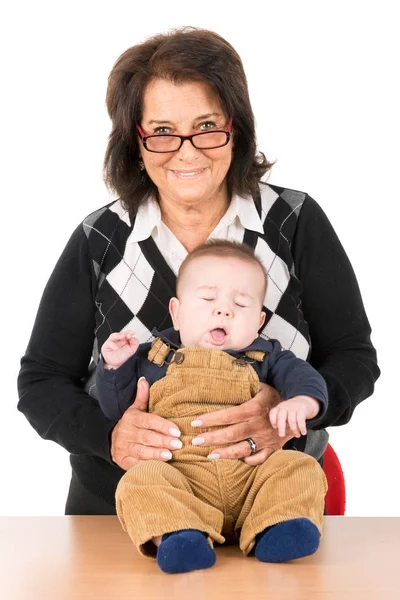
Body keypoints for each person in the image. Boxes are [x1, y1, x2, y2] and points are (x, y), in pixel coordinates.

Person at [17, 27, 380, 520]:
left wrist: (288, 413)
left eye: (206, 125)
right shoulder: (100, 238)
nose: (187, 152)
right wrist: (111, 438)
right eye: (163, 131)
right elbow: (41, 381)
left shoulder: (293, 223)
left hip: (273, 500)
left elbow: (354, 358)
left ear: (236, 127)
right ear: (136, 141)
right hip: (124, 507)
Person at [97, 239, 328, 573]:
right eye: (208, 299)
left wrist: (303, 401)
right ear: (176, 312)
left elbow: (303, 376)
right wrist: (114, 368)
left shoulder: (268, 356)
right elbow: (120, 411)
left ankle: (277, 526)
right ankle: (179, 535)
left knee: (298, 466)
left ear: (259, 322)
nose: (224, 310)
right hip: (181, 479)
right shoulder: (152, 357)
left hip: (253, 477)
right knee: (140, 480)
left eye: (240, 304)